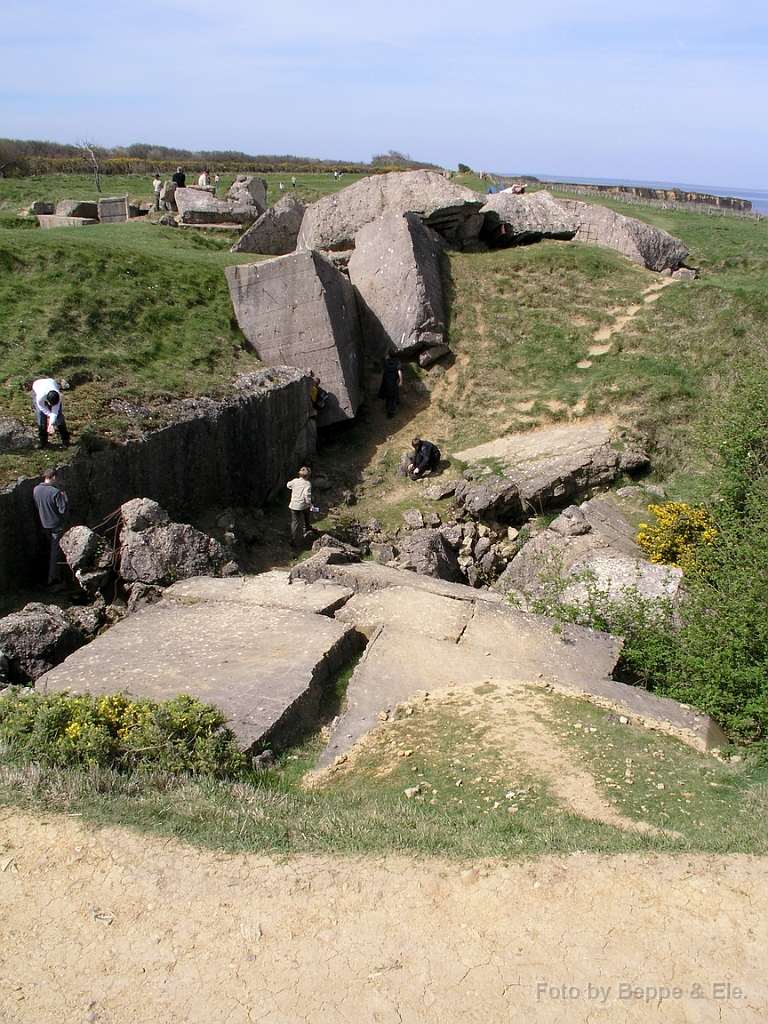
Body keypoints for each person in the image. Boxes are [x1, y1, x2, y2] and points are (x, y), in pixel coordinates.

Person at [33, 467, 68, 587]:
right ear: (53, 477)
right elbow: (62, 510)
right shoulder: (55, 492)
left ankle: (52, 575)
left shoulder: (36, 490)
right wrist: (65, 499)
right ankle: (53, 578)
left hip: (44, 523)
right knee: (55, 552)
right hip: (56, 525)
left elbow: (38, 505)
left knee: (51, 550)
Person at [31, 377, 70, 449]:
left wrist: (51, 423)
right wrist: (49, 415)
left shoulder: (58, 396)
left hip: (51, 382)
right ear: (47, 401)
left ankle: (65, 439)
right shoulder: (40, 397)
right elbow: (41, 407)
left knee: (59, 417)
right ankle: (43, 440)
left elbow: (55, 411)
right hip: (37, 386)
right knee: (41, 417)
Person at [287, 467, 314, 547]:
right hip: (303, 504)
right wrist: (309, 503)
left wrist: (292, 488)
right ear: (307, 475)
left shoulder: (295, 481)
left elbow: (288, 485)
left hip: (294, 504)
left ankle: (293, 538)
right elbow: (307, 494)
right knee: (307, 514)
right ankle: (306, 527)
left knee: (294, 521)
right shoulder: (307, 483)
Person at [378, 348, 403, 418]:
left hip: (385, 380)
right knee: (391, 396)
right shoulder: (397, 362)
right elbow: (399, 371)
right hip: (392, 381)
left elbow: (385, 357)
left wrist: (388, 355)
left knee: (387, 394)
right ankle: (390, 412)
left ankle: (387, 406)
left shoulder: (386, 361)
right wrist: (401, 380)